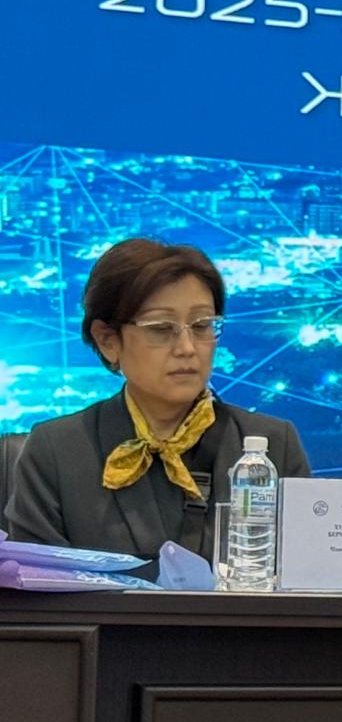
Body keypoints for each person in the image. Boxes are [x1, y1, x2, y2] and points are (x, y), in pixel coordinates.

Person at [2, 237, 309, 570]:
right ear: (108, 340)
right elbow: (38, 589)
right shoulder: (57, 450)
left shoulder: (273, 445)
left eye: (202, 326)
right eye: (162, 328)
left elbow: (306, 580)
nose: (187, 348)